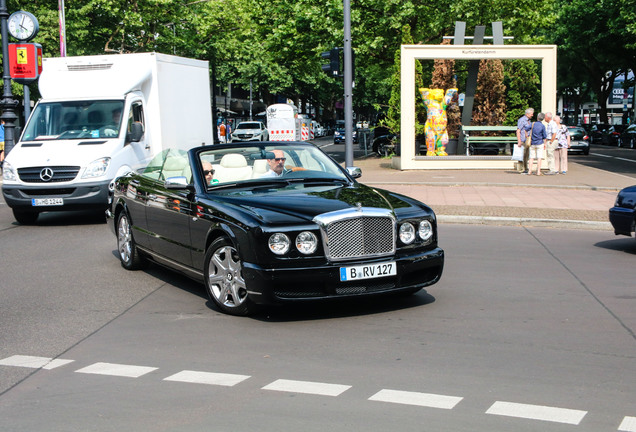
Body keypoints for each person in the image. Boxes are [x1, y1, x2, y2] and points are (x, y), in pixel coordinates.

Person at [515, 108, 534, 173]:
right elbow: (518, 131)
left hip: (527, 140)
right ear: (527, 114)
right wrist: (519, 141)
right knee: (522, 155)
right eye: (531, 114)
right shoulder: (522, 120)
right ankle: (521, 168)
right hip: (523, 139)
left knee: (526, 155)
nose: (532, 115)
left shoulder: (529, 121)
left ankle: (525, 168)